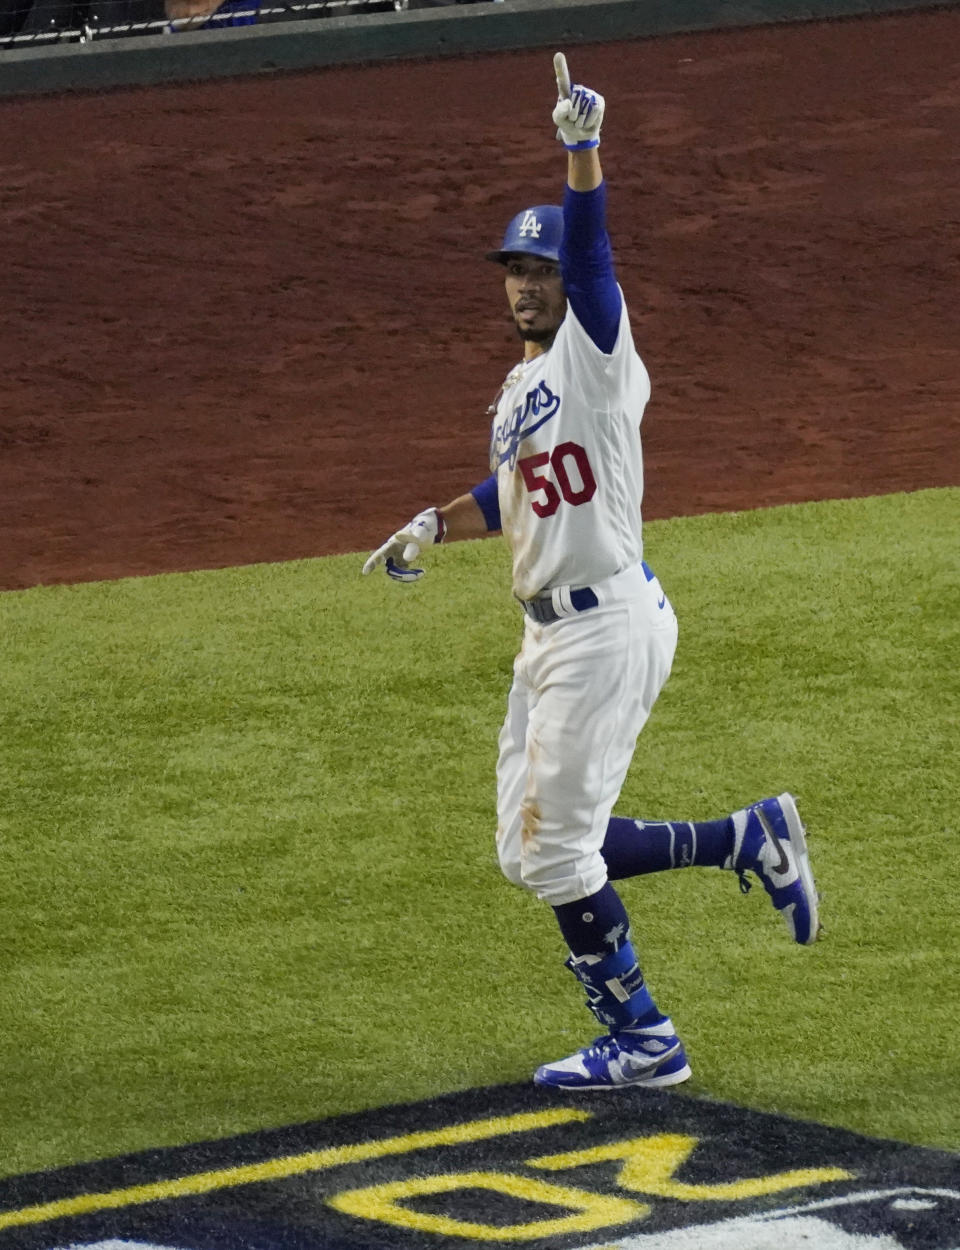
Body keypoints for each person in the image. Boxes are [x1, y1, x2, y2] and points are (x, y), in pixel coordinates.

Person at [363, 53, 820, 1091]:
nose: (527, 285)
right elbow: (521, 490)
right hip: (551, 629)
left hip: (605, 622)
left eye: (543, 270)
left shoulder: (597, 346)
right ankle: (745, 836)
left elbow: (601, 254)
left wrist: (583, 154)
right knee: (529, 852)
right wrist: (436, 521)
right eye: (515, 272)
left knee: (561, 855)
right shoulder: (521, 383)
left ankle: (647, 1039)